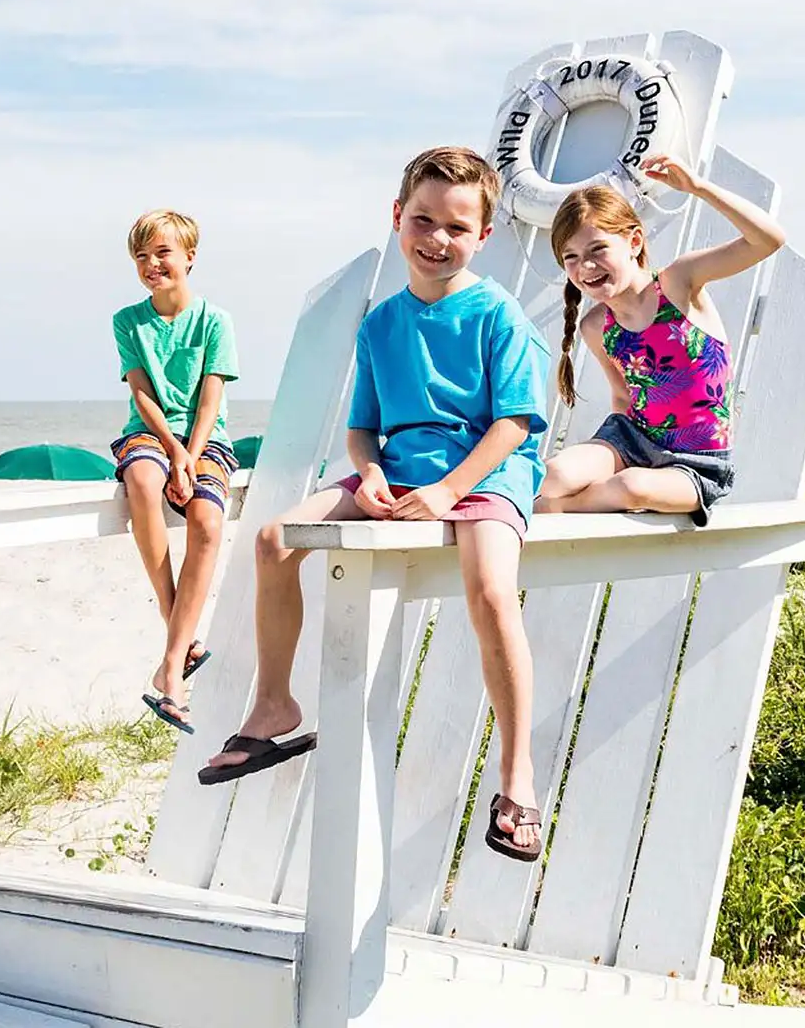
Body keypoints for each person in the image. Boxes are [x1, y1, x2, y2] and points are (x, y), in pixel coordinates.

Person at [199, 146, 554, 863]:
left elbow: (515, 422)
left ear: (482, 235)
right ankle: (275, 703)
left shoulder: (499, 315)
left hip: (485, 472)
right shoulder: (382, 323)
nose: (437, 238)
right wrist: (372, 474)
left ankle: (518, 773)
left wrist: (451, 491)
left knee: (488, 588)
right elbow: (364, 429)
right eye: (423, 219)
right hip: (398, 471)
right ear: (398, 217)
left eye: (457, 227)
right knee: (274, 539)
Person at [534, 158, 786, 525]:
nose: (585, 267)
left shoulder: (677, 283)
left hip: (696, 462)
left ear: (634, 241)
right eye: (571, 258)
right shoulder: (597, 326)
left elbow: (768, 240)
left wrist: (699, 187)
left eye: (597, 250)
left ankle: (547, 510)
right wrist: (607, 456)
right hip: (631, 440)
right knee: (553, 476)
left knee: (632, 486)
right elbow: (623, 397)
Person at [110, 209, 240, 733]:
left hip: (208, 439)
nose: (152, 264)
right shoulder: (127, 321)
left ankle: (171, 661)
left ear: (189, 256)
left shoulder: (215, 320)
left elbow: (210, 401)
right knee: (142, 479)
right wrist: (171, 448)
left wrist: (190, 454)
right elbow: (142, 393)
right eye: (142, 256)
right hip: (151, 432)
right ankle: (179, 637)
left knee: (207, 522)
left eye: (162, 253)